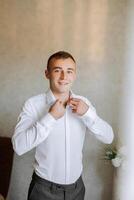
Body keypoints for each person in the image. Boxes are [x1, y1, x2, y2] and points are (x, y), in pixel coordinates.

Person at [12, 51, 114, 200]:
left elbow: (109, 137)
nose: (64, 77)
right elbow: (18, 146)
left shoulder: (84, 103)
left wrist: (88, 114)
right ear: (47, 73)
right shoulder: (33, 105)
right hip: (43, 191)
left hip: (77, 189)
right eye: (57, 70)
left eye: (69, 71)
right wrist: (50, 117)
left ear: (75, 75)